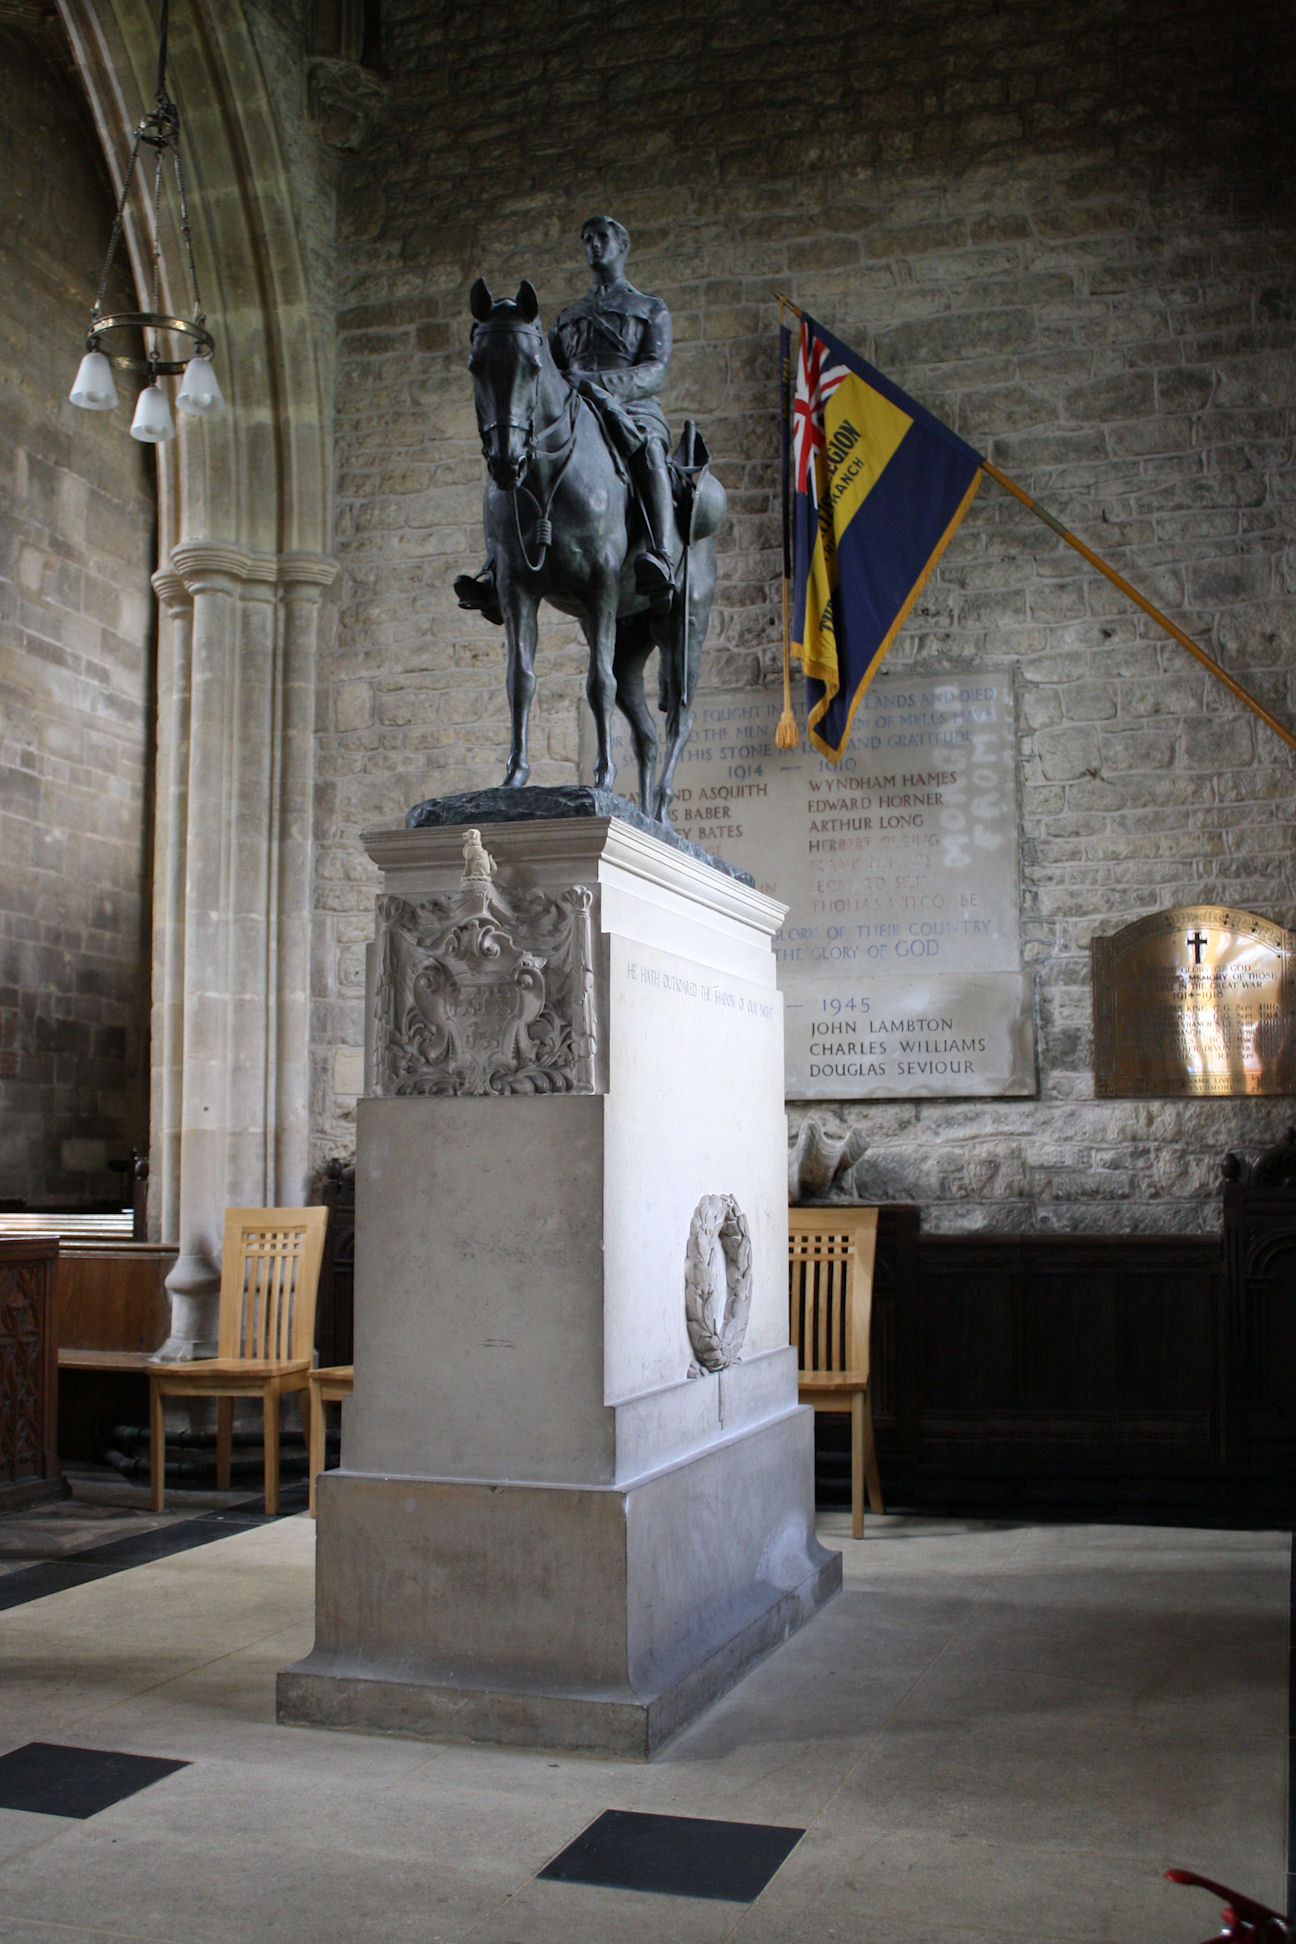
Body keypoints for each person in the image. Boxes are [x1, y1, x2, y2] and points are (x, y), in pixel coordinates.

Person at [456, 215, 678, 622]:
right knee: (515, 458)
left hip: (631, 410)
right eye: (587, 238)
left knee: (649, 453)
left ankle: (660, 555)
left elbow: (655, 371)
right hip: (575, 416)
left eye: (603, 237)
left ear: (622, 245)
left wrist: (596, 382)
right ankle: (496, 565)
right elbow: (546, 377)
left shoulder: (648, 309)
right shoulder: (566, 319)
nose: (594, 245)